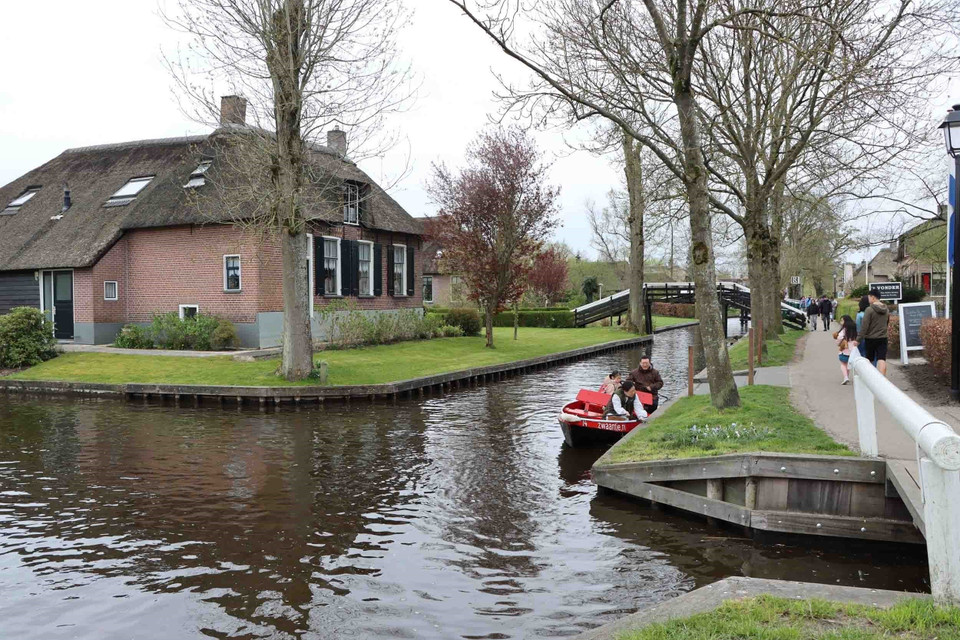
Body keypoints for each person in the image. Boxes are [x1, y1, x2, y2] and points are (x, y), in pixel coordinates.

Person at [860, 288, 890, 376]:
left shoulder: (869, 309)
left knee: (869, 359)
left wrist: (858, 339)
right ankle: (882, 379)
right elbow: (887, 323)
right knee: (881, 359)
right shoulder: (886, 309)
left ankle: (871, 378)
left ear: (873, 297)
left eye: (869, 297)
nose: (868, 299)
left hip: (871, 338)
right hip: (883, 337)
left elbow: (864, 326)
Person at [834, 314, 858, 385]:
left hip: (844, 349)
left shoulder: (844, 330)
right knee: (848, 364)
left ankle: (845, 377)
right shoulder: (854, 329)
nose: (841, 321)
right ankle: (846, 376)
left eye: (842, 320)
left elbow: (839, 337)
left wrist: (838, 343)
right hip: (852, 349)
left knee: (843, 363)